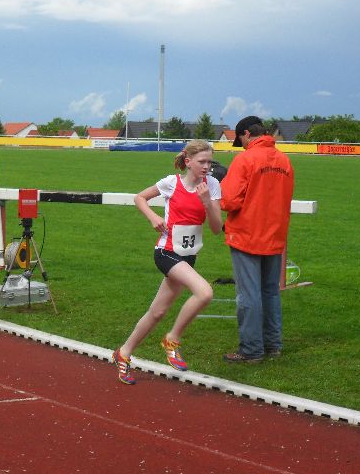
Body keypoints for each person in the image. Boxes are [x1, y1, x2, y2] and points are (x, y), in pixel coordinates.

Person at [111, 139, 223, 385]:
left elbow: (216, 228)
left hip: (188, 256)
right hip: (166, 252)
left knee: (158, 311)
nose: (207, 166)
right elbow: (140, 198)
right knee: (204, 292)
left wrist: (207, 202)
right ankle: (172, 339)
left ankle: (124, 353)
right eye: (202, 162)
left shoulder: (212, 185)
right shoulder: (171, 183)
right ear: (188, 162)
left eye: (209, 162)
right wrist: (153, 217)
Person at [220, 116, 294, 364]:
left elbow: (229, 201)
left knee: (248, 295)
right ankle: (273, 345)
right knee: (270, 292)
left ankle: (251, 349)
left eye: (240, 140)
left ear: (246, 134)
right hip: (274, 234)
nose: (241, 145)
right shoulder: (284, 160)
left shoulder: (245, 159)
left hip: (247, 235)